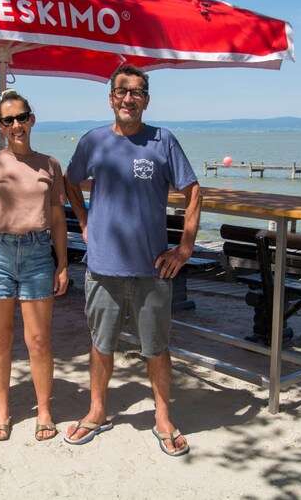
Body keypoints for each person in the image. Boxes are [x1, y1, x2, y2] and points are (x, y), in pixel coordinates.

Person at [63, 65, 201, 457]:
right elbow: (70, 182)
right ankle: (97, 411)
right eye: (122, 92)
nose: (129, 98)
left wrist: (185, 248)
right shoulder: (93, 141)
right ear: (111, 98)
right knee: (100, 344)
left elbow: (194, 193)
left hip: (152, 268)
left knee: (156, 348)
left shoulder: (163, 141)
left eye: (137, 92)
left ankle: (162, 416)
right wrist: (85, 222)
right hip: (102, 266)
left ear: (146, 99)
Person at [0, 89, 69, 442]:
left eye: (21, 117)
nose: (16, 125)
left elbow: (58, 219)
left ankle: (44, 410)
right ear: (0, 125)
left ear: (32, 119)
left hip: (39, 253)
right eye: (8, 120)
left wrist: (63, 263)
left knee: (39, 339)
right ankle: (2, 411)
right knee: (0, 338)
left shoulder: (50, 164)